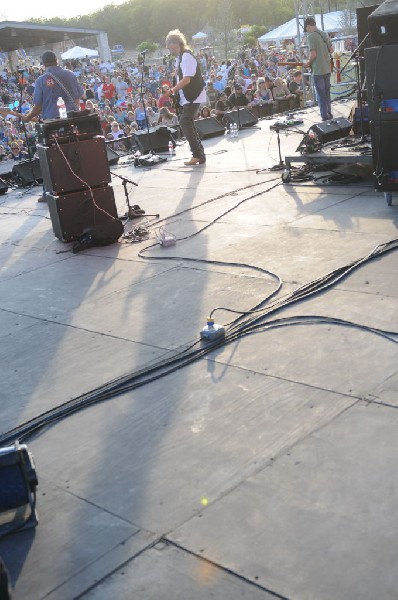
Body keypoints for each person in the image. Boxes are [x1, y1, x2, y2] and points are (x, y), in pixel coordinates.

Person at [166, 29, 207, 166]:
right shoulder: (180, 57)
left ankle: (198, 155)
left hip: (193, 95)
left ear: (176, 44)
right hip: (189, 96)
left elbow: (187, 79)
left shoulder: (186, 56)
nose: (169, 49)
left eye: (170, 46)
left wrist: (172, 90)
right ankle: (199, 154)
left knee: (185, 122)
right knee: (189, 123)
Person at [18, 51, 83, 122]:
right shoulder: (70, 74)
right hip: (74, 118)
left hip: (54, 123)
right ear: (56, 60)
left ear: (43, 63)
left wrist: (27, 118)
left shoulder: (41, 80)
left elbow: (38, 107)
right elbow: (78, 97)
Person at [304, 16, 333, 121]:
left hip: (318, 70)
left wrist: (308, 63)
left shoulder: (311, 36)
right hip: (327, 68)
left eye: (306, 29)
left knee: (321, 95)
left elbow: (313, 54)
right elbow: (332, 50)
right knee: (327, 94)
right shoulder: (324, 34)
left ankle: (325, 117)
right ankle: (329, 114)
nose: (307, 31)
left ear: (308, 27)